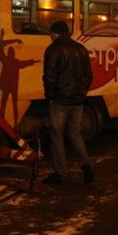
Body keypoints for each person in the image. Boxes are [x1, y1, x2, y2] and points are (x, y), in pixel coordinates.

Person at [42, 20, 95, 185]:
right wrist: (81, 94)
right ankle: (86, 165)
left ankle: (60, 173)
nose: (50, 36)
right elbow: (88, 75)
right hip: (77, 100)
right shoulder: (81, 49)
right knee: (74, 133)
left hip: (59, 101)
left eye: (51, 33)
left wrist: (50, 96)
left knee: (57, 135)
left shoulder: (53, 49)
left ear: (55, 33)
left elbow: (49, 77)